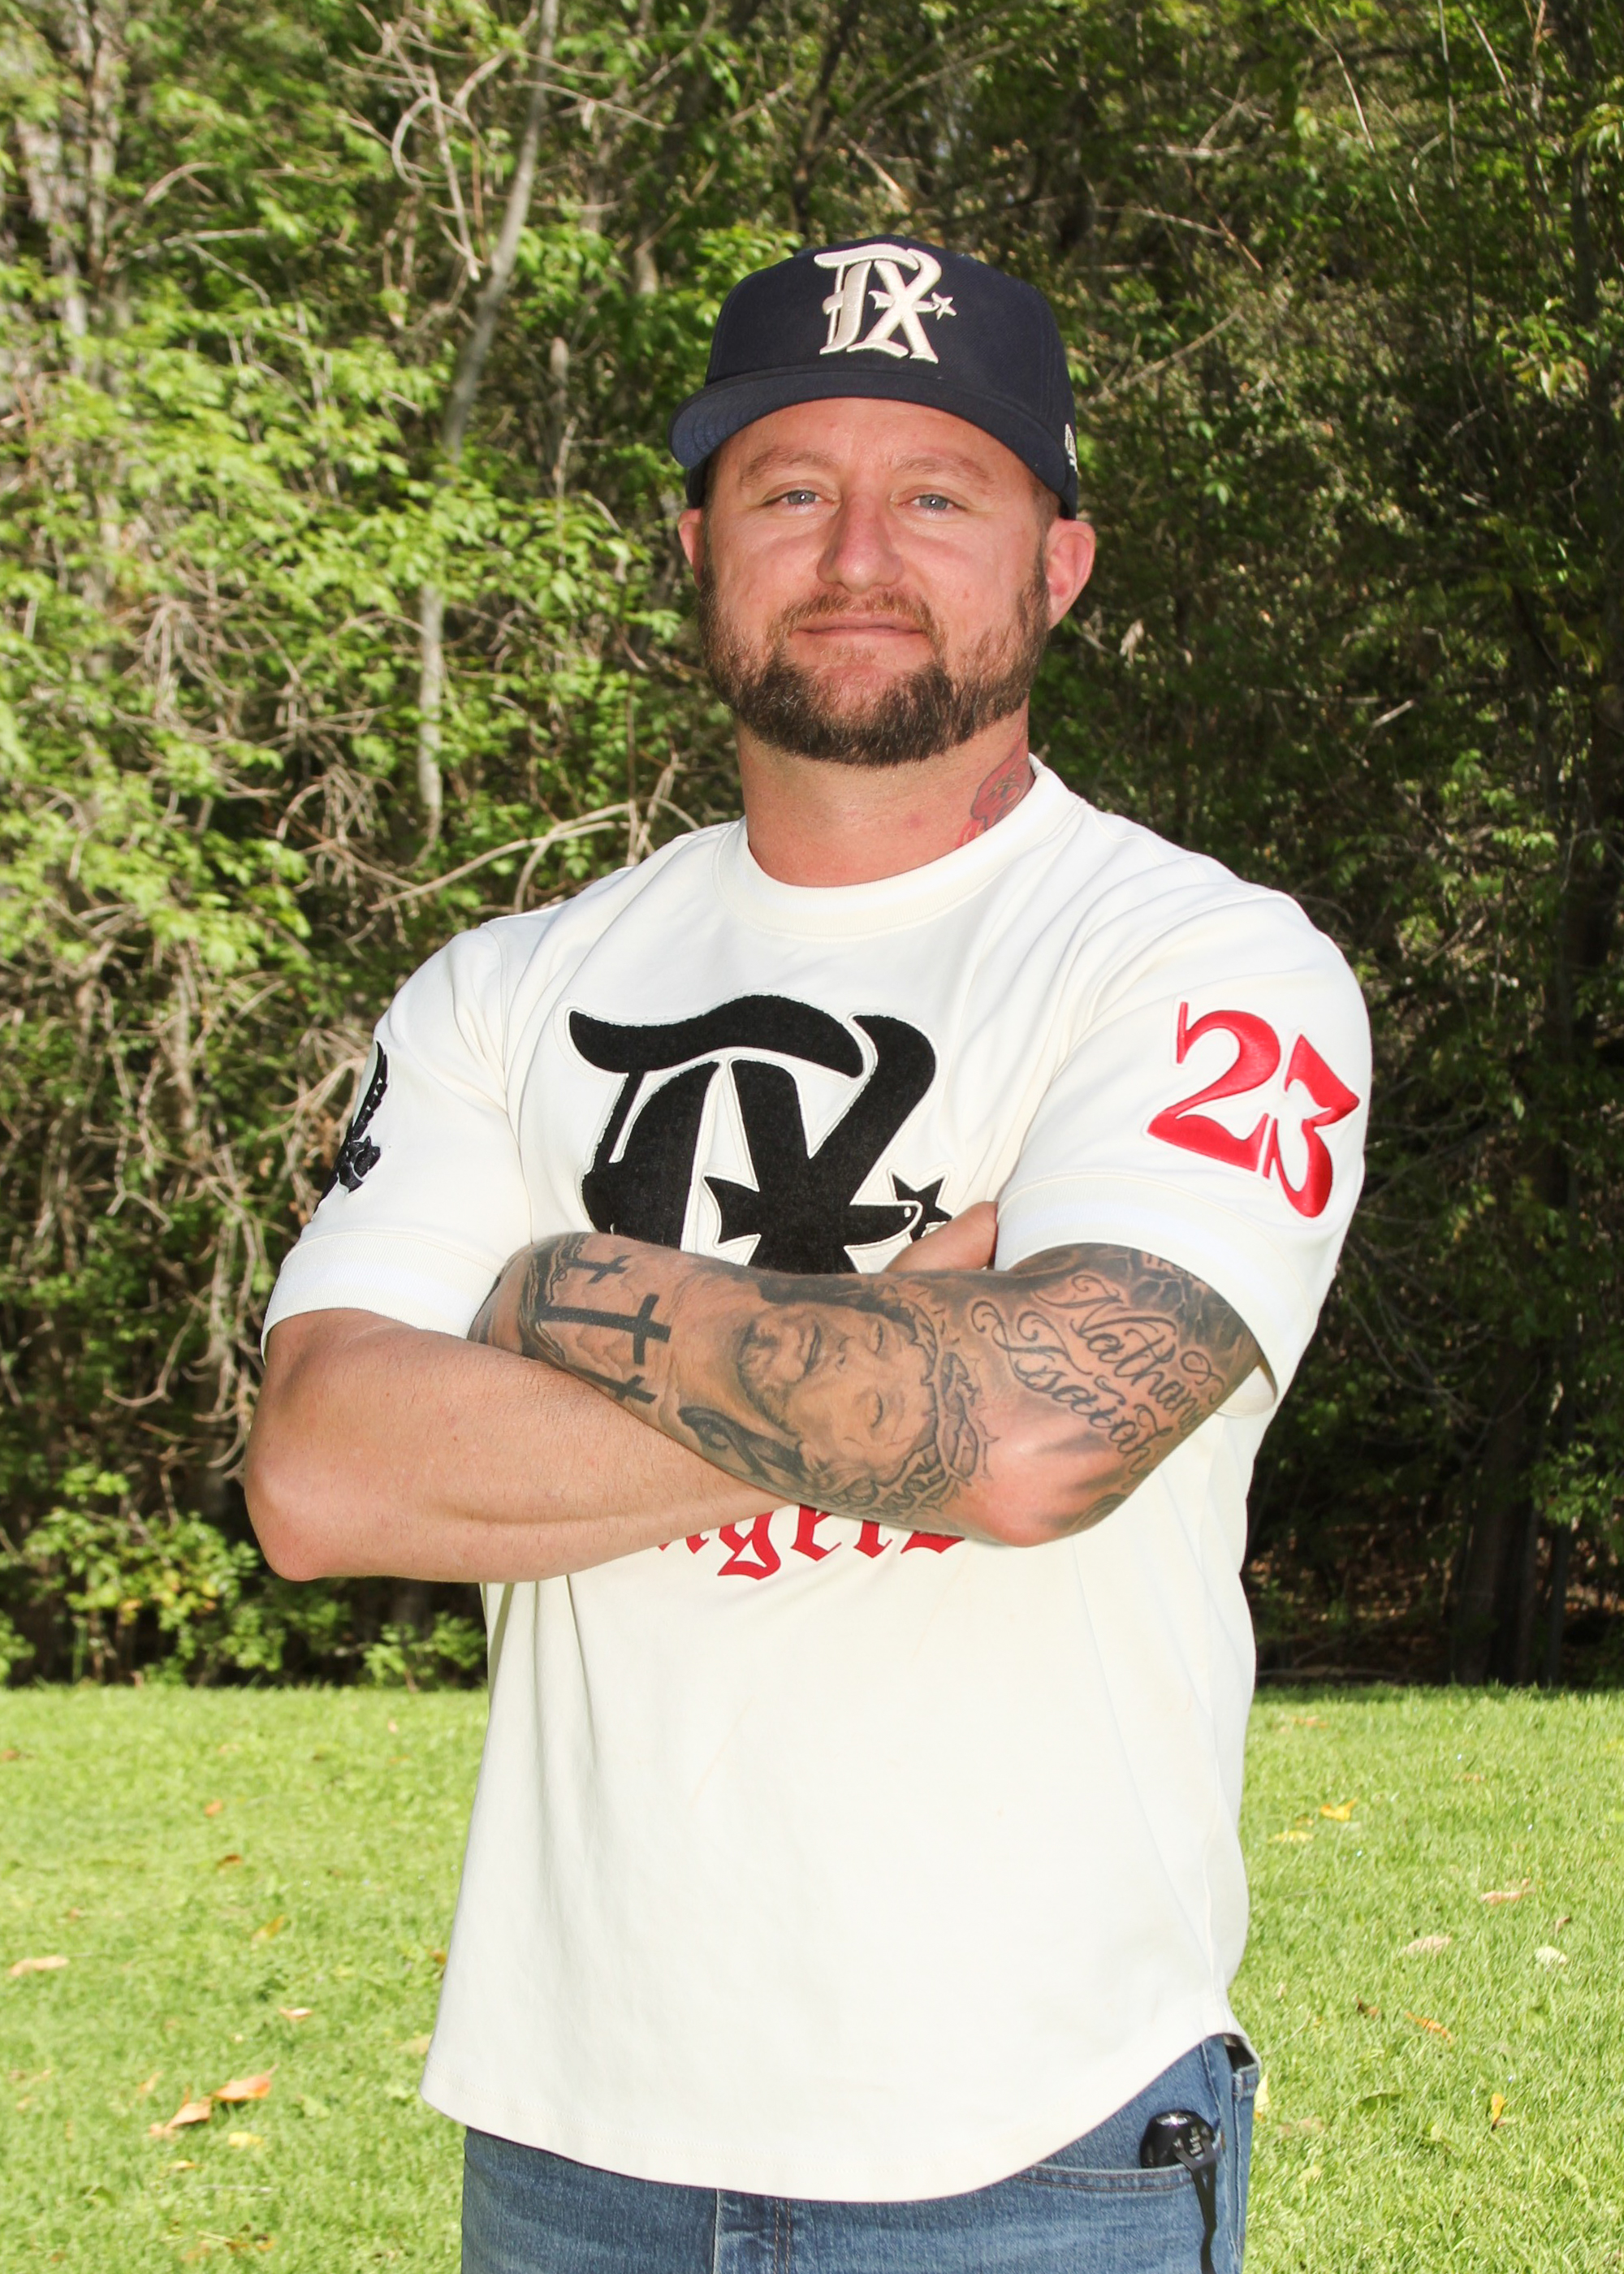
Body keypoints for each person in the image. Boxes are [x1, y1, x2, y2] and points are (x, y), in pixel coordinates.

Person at [246, 237, 1370, 2274]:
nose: (859, 552)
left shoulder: (1198, 962)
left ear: (1059, 563)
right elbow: (323, 1473)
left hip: (1034, 2143)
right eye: (789, 489)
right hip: (572, 2136)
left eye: (939, 491)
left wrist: (542, 1299)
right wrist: (904, 1336)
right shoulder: (508, 985)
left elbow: (1034, 1436)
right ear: (699, 547)